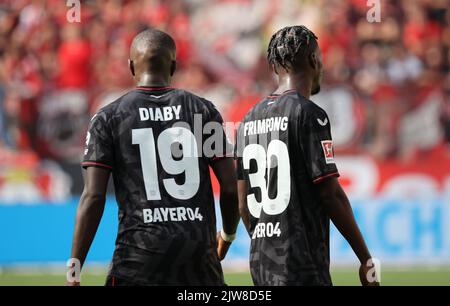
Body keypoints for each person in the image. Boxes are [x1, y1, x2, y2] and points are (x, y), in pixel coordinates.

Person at [67, 28, 240, 286]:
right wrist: (227, 235)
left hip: (137, 258)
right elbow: (229, 185)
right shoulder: (203, 110)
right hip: (197, 259)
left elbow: (93, 196)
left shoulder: (108, 117)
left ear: (131, 66)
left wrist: (74, 267)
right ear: (174, 65)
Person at [235, 25, 379, 286]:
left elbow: (243, 204)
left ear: (274, 66)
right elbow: (330, 194)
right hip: (302, 265)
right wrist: (365, 259)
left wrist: (264, 245)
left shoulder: (247, 120)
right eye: (320, 57)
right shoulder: (308, 113)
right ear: (314, 59)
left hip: (261, 266)